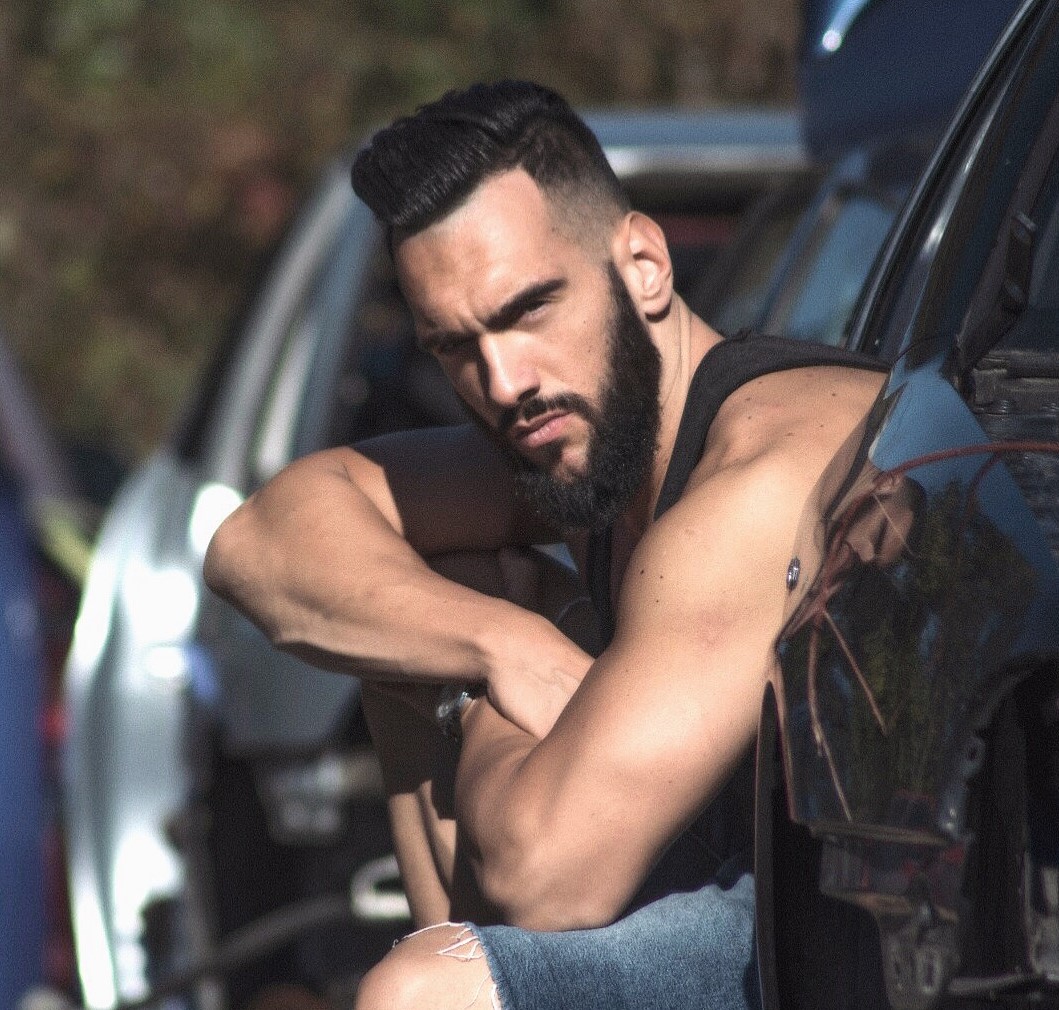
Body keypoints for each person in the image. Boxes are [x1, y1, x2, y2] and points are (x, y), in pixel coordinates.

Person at [203, 80, 889, 1010]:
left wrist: (470, 692)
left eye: (527, 309)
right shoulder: (588, 434)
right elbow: (256, 540)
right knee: (410, 611)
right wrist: (498, 641)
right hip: (749, 905)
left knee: (420, 995)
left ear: (643, 264)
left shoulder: (760, 479)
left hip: (859, 946)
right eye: (453, 346)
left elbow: (545, 879)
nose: (502, 381)